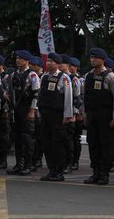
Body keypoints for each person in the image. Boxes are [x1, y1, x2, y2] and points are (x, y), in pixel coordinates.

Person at [82, 48, 114, 185]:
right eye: (91, 58)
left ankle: (105, 173)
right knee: (93, 143)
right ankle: (95, 172)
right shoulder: (88, 76)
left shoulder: (110, 77)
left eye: (96, 58)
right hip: (92, 114)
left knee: (106, 144)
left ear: (102, 60)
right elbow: (85, 97)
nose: (93, 60)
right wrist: (85, 114)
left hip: (105, 115)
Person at [39, 52, 73, 182]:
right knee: (47, 143)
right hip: (45, 113)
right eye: (47, 61)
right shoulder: (44, 77)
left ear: (57, 63)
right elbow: (40, 95)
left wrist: (67, 115)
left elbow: (68, 98)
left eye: (51, 61)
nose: (48, 64)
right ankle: (51, 170)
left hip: (57, 115)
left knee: (57, 143)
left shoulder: (63, 77)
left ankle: (59, 171)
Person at [7, 50, 40, 176]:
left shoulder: (32, 75)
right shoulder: (14, 74)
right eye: (17, 58)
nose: (17, 60)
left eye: (20, 59)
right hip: (16, 109)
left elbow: (36, 94)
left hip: (27, 109)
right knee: (17, 138)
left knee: (27, 139)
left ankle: (28, 165)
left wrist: (32, 111)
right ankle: (18, 164)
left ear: (26, 61)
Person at [59, 54, 79, 174]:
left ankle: (70, 163)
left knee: (69, 140)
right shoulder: (59, 77)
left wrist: (74, 114)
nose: (60, 65)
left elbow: (77, 98)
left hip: (70, 114)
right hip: (59, 113)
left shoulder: (73, 79)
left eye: (62, 63)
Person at [68, 57, 84, 171]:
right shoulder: (66, 77)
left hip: (78, 113)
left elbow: (80, 97)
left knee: (75, 139)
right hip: (69, 112)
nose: (70, 67)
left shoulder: (79, 80)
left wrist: (79, 113)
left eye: (72, 66)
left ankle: (75, 161)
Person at [29, 56, 44, 170]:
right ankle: (33, 159)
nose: (31, 67)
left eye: (33, 65)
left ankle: (38, 159)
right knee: (32, 136)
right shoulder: (31, 76)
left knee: (39, 137)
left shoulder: (43, 77)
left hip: (40, 111)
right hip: (32, 109)